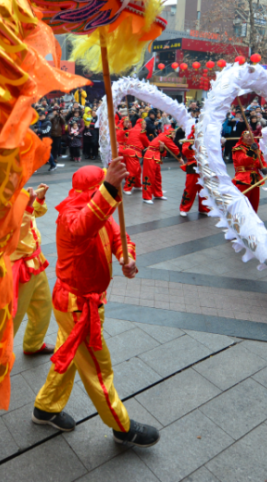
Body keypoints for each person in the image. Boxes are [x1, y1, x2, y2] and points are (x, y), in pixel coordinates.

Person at [32, 160, 159, 447]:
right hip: (78, 306)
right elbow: (84, 226)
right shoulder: (71, 217)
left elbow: (116, 234)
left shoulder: (98, 210)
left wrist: (126, 256)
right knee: (99, 370)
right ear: (93, 190)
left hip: (83, 301)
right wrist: (110, 187)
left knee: (70, 355)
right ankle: (121, 426)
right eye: (102, 186)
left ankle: (45, 407)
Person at [12, 183, 54, 356]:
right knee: (13, 316)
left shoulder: (19, 193)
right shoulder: (0, 201)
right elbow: (17, 238)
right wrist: (28, 205)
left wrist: (39, 198)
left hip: (36, 262)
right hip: (20, 268)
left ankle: (34, 343)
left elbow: (36, 212)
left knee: (43, 306)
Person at [141, 125, 179, 204]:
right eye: (174, 134)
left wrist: (161, 148)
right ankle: (146, 197)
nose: (174, 136)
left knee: (158, 177)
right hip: (150, 156)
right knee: (149, 176)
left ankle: (158, 194)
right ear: (170, 133)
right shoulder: (165, 137)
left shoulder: (164, 138)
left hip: (156, 157)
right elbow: (174, 149)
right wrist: (181, 159)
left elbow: (164, 153)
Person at [231, 130, 267, 211]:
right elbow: (243, 161)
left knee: (254, 203)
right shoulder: (238, 149)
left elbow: (262, 161)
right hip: (242, 178)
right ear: (242, 138)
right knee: (242, 202)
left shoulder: (257, 150)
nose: (250, 138)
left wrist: (265, 168)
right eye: (247, 136)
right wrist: (251, 151)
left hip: (255, 179)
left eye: (251, 136)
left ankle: (252, 220)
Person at [179, 126, 209, 217]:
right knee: (190, 189)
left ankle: (204, 208)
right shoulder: (189, 139)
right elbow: (184, 151)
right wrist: (191, 146)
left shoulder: (205, 139)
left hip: (203, 166)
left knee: (203, 189)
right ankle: (184, 208)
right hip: (192, 166)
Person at [120, 117, 149, 194]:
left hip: (128, 152)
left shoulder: (131, 130)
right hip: (132, 152)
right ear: (141, 124)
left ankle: (137, 185)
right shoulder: (141, 131)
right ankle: (127, 188)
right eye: (144, 123)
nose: (146, 125)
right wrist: (153, 145)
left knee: (138, 170)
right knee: (133, 171)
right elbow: (146, 143)